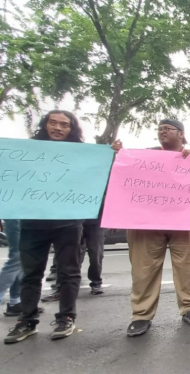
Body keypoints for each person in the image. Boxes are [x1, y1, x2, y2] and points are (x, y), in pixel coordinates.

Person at [112, 119, 190, 337]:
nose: (162, 132)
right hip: (147, 223)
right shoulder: (144, 157)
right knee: (143, 268)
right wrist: (118, 155)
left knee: (188, 266)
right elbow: (123, 180)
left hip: (185, 222)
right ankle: (141, 314)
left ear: (181, 134)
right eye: (160, 129)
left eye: (168, 129)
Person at [5, 110, 86, 344]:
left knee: (68, 272)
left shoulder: (83, 154)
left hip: (69, 223)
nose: (58, 128)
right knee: (31, 274)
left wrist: (112, 152)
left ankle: (66, 318)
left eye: (64, 124)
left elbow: (97, 176)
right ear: (45, 125)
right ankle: (27, 321)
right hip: (32, 223)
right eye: (53, 123)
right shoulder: (26, 152)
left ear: (72, 129)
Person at [41, 219, 107, 302]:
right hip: (73, 222)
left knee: (96, 255)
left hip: (96, 222)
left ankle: (96, 283)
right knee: (69, 256)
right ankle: (61, 288)